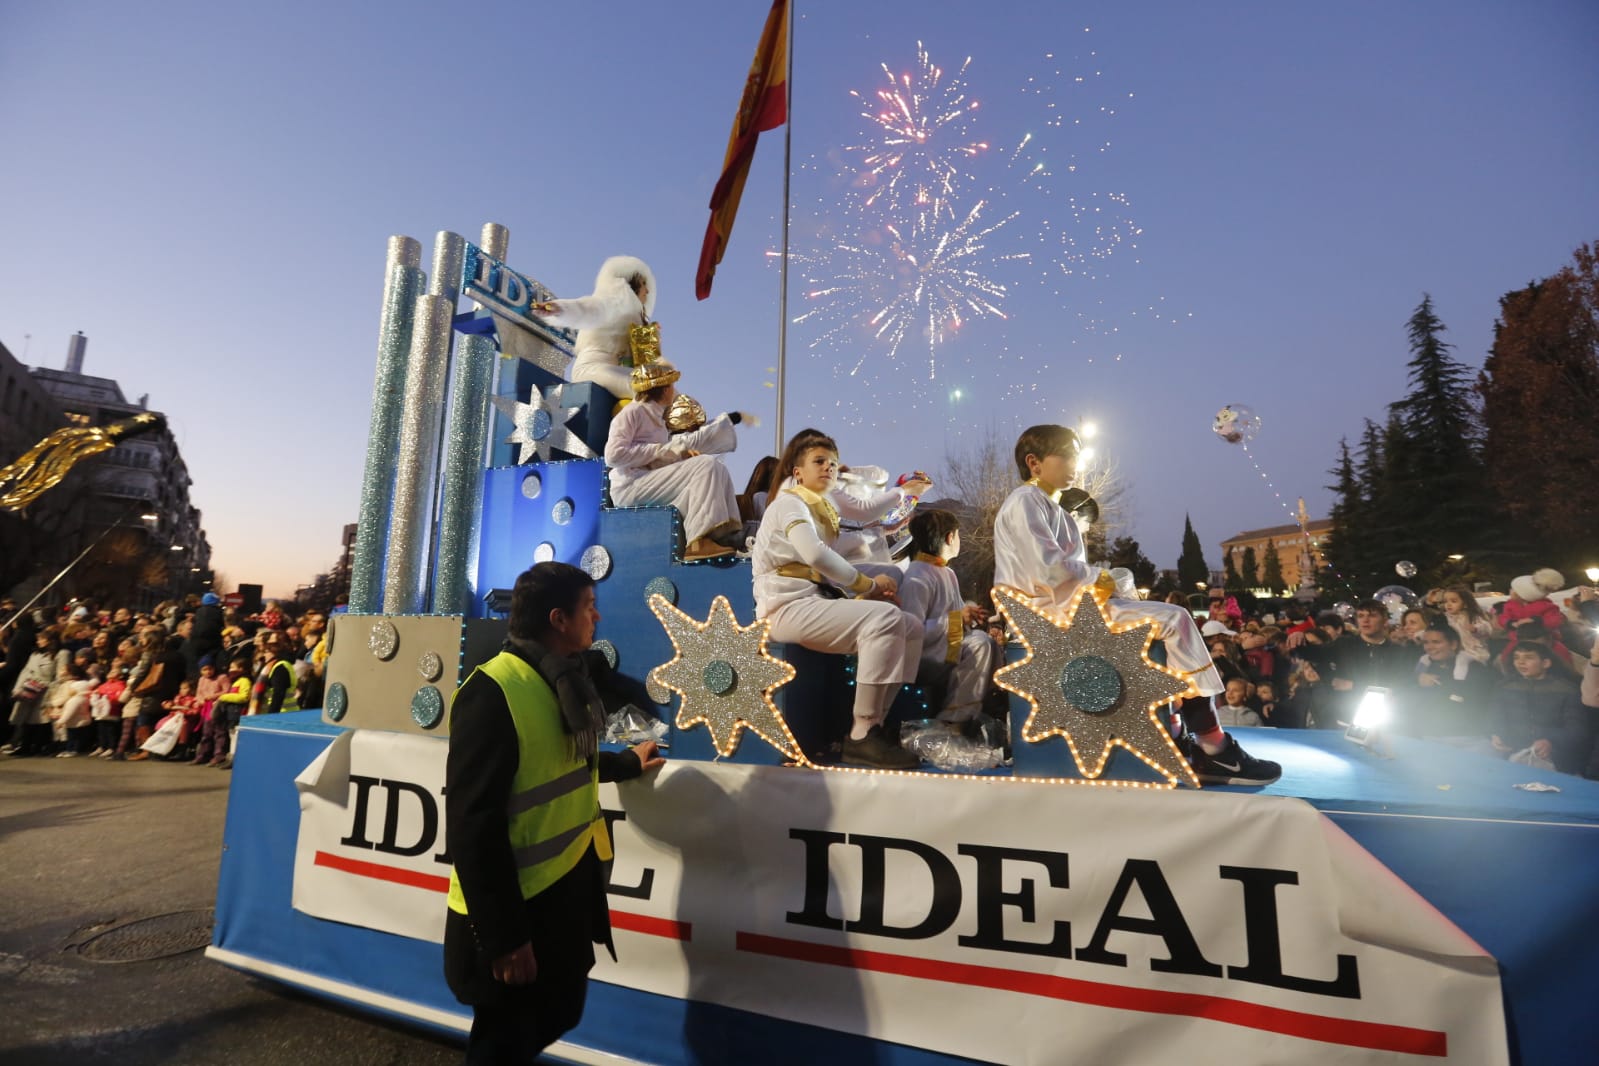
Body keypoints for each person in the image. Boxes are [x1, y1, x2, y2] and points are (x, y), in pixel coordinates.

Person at [444, 562, 664, 1064]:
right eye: (589, 607)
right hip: (516, 914)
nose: (598, 617)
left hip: (562, 898)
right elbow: (472, 825)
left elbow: (563, 762)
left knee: (555, 1013)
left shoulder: (561, 682)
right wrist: (505, 939)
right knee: (504, 1041)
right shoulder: (493, 692)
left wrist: (627, 762)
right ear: (559, 618)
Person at [992, 425, 1279, 785]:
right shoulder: (1024, 502)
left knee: (1168, 617)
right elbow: (1047, 571)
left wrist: (1106, 581)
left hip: (1063, 605)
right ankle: (1213, 746)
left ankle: (1192, 737)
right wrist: (1104, 579)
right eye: (1066, 455)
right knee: (1176, 619)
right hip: (1045, 614)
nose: (1075, 464)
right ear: (1034, 462)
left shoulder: (1053, 508)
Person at [751, 429, 924, 769]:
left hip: (812, 601)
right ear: (797, 471)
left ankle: (875, 726)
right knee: (884, 617)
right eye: (819, 461)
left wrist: (903, 492)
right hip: (782, 608)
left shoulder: (824, 500)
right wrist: (868, 586)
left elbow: (862, 510)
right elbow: (814, 554)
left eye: (832, 462)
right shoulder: (790, 502)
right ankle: (861, 735)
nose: (828, 468)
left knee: (912, 626)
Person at [602, 359, 745, 561]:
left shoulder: (660, 421)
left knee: (715, 467)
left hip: (647, 480)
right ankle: (697, 543)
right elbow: (614, 455)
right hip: (629, 486)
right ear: (660, 389)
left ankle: (726, 533)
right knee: (705, 465)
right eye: (670, 385)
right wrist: (660, 450)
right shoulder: (632, 413)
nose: (673, 390)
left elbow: (655, 459)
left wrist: (680, 456)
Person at [899, 509, 999, 729]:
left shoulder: (946, 572)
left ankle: (979, 710)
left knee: (987, 641)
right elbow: (909, 631)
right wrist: (956, 619)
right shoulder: (917, 576)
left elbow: (955, 613)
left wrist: (969, 614)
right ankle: (954, 718)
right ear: (950, 537)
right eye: (959, 535)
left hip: (946, 647)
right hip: (924, 658)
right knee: (980, 644)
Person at [532, 256, 658, 401]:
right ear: (630, 284)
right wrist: (560, 309)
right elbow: (588, 309)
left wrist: (650, 341)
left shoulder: (637, 319)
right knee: (647, 388)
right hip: (592, 367)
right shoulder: (611, 303)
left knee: (666, 390)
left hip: (618, 370)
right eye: (643, 284)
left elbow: (645, 362)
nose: (647, 291)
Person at [1491, 644, 1588, 774]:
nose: (1521, 662)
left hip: (1553, 757)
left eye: (1529, 657)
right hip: (1509, 750)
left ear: (1546, 663)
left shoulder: (1567, 690)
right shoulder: (1505, 686)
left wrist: (1551, 740)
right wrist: (1495, 733)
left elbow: (1577, 730)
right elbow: (1494, 716)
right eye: (1516, 657)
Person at [1404, 623, 1491, 737]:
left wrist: (1440, 686)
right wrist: (1417, 681)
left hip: (1463, 736)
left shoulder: (1474, 669)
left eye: (1436, 642)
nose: (1429, 647)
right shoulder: (1423, 665)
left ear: (1454, 644)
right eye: (1426, 643)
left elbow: (1476, 704)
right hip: (1422, 732)